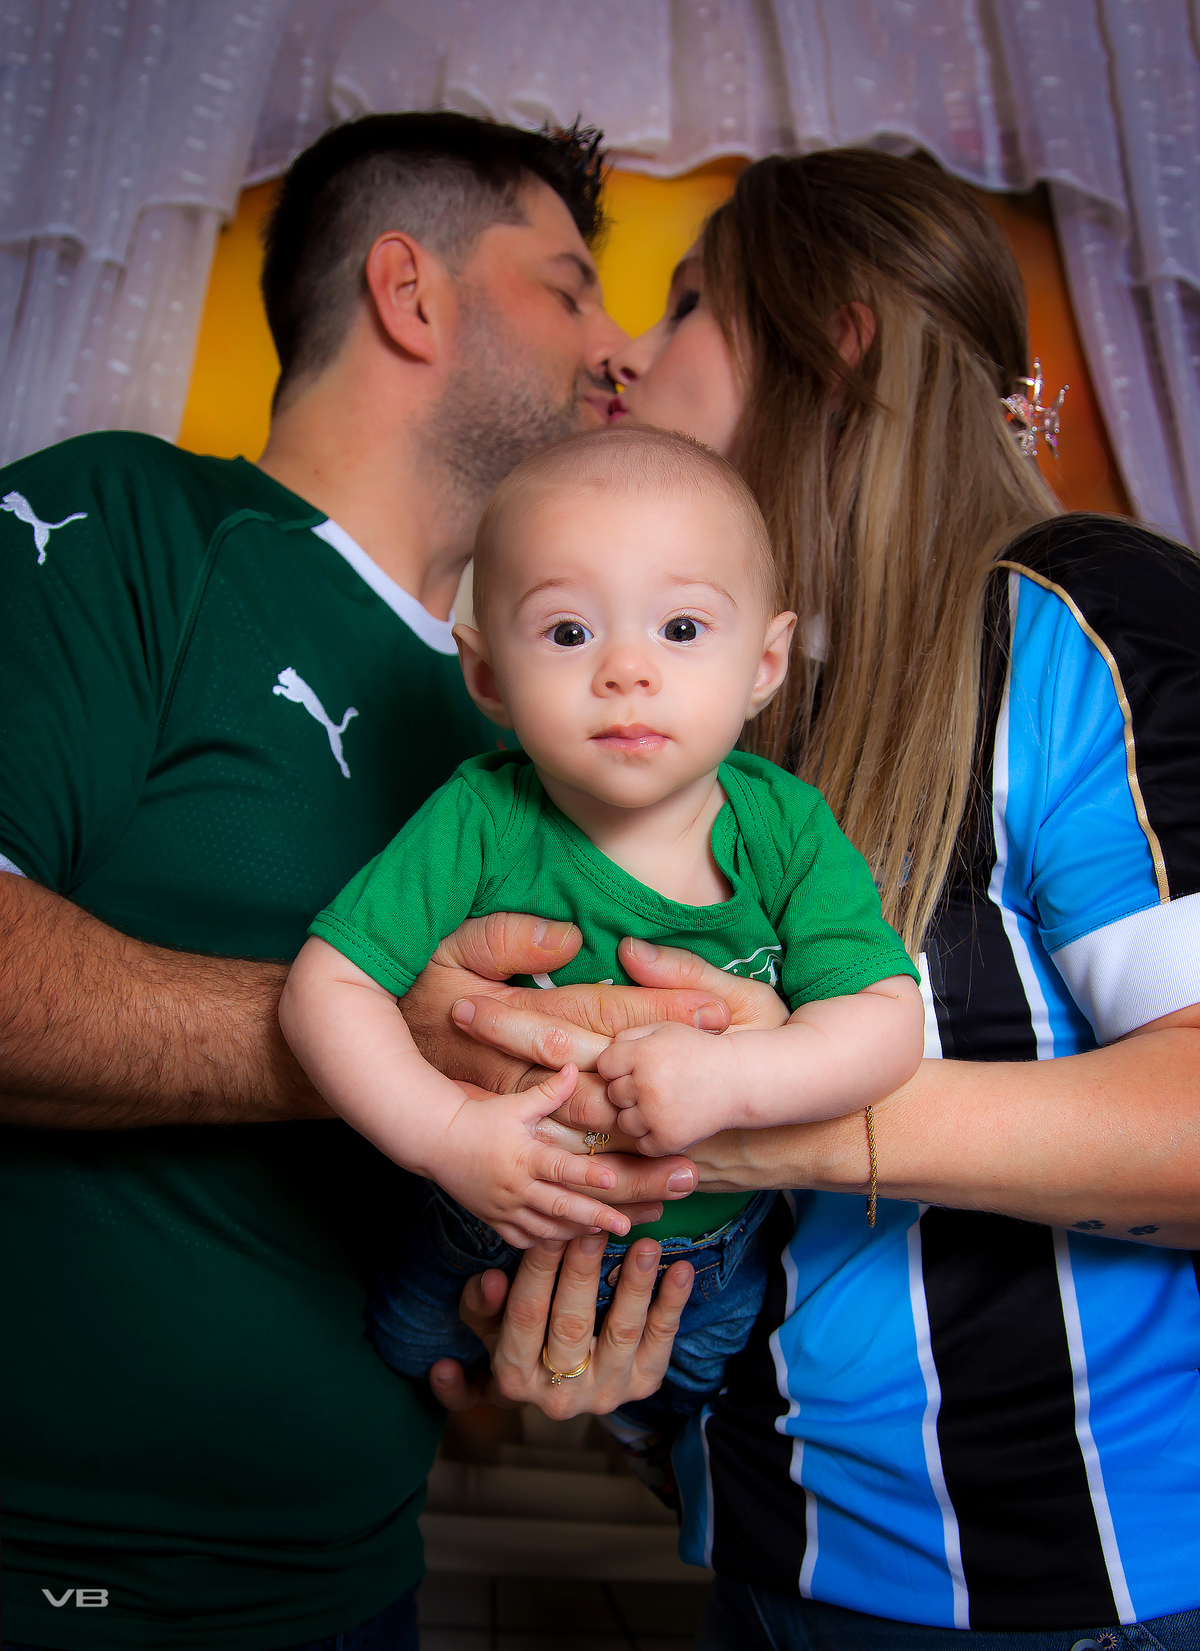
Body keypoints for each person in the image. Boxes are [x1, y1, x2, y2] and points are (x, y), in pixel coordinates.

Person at [419, 150, 1200, 1648]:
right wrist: (591, 1305)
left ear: (834, 341)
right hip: (761, 1559)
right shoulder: (724, 715)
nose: (631, 356)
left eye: (695, 301)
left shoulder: (1074, 616)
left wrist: (730, 1097)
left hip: (1077, 1601)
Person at [0, 112, 729, 1651]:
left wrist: (524, 1322)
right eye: (570, 282)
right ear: (411, 292)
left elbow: (452, 1220)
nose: (616, 348)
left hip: (350, 1578)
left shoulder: (536, 727)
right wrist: (379, 1044)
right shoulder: (126, 525)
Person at [279, 426, 922, 1453]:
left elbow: (887, 1020)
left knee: (708, 1425)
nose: (626, 669)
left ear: (763, 662)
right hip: (478, 1229)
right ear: (486, 675)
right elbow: (324, 991)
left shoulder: (788, 826)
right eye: (570, 633)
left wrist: (738, 1083)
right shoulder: (481, 816)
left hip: (701, 1259)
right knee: (404, 1360)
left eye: (680, 626)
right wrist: (446, 1135)